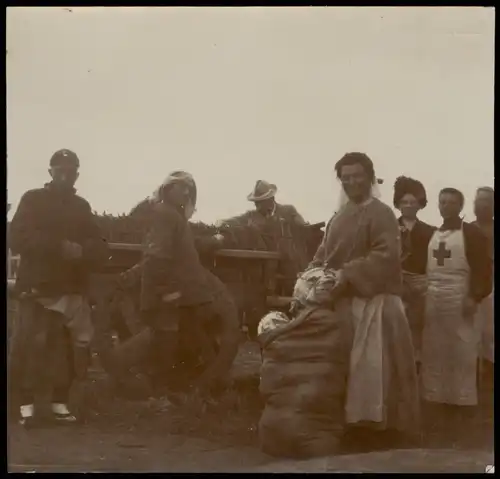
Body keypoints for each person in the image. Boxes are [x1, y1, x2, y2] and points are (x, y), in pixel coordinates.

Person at [308, 152, 420, 446]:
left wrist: (346, 274)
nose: (351, 182)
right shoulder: (338, 216)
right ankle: (352, 425)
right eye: (346, 177)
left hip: (375, 302)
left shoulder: (381, 213)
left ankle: (378, 429)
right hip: (343, 302)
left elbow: (386, 256)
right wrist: (311, 273)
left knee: (373, 367)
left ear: (369, 177)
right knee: (347, 366)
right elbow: (323, 252)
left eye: (357, 176)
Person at [110, 171, 240, 396]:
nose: (186, 193)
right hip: (168, 292)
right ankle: (137, 378)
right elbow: (157, 256)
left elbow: (185, 245)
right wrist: (166, 291)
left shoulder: (172, 216)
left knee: (177, 335)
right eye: (180, 188)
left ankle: (177, 385)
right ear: (167, 190)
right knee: (164, 338)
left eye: (188, 190)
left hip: (179, 292)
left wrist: (214, 241)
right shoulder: (165, 215)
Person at [8, 149, 108, 427]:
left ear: (77, 173)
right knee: (30, 345)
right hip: (37, 288)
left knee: (66, 349)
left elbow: (100, 246)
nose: (66, 174)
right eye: (60, 169)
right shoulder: (32, 200)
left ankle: (59, 403)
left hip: (71, 289)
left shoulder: (82, 207)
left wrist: (82, 250)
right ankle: (25, 406)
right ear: (50, 171)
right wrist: (58, 246)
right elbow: (17, 237)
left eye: (71, 170)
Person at [421, 188, 492, 431]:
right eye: (442, 202)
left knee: (463, 352)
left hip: (461, 300)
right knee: (435, 351)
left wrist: (474, 296)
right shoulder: (433, 234)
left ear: (460, 206)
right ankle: (436, 401)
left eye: (451, 202)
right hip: (434, 300)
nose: (446, 206)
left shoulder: (471, 233)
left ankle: (463, 406)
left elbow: (483, 269)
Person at [219, 180, 309, 293]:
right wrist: (222, 222)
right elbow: (236, 220)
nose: (257, 206)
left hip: (289, 262)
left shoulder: (288, 211)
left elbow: (304, 228)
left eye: (259, 202)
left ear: (270, 200)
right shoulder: (251, 215)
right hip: (265, 266)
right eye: (256, 203)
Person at [393, 176, 436, 366]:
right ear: (398, 204)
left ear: (420, 204)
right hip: (395, 282)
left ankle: (417, 362)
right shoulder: (389, 227)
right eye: (404, 202)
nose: (409, 205)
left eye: (413, 202)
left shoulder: (430, 231)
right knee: (396, 324)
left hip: (420, 283)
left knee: (418, 325)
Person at [472, 187, 494, 367]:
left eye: (487, 201)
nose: (482, 205)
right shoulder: (467, 230)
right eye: (478, 200)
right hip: (471, 286)